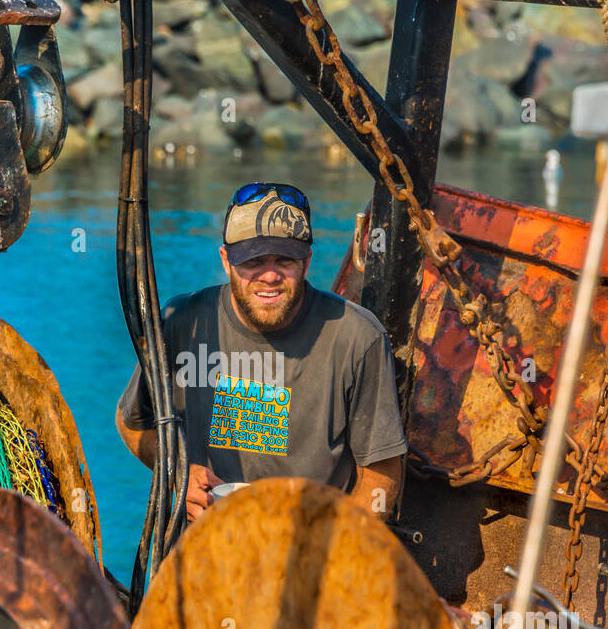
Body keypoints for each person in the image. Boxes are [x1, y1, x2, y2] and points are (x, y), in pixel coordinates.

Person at [115, 181, 408, 522]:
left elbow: (381, 472)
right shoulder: (182, 324)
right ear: (226, 260)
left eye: (284, 259)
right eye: (253, 260)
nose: (269, 275)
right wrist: (177, 472)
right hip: (201, 556)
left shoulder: (358, 338)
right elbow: (133, 424)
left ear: (307, 262)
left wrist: (335, 549)